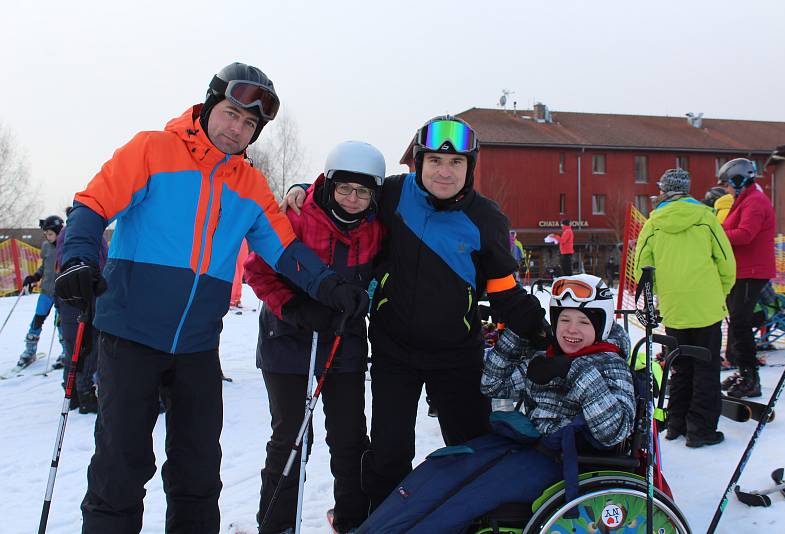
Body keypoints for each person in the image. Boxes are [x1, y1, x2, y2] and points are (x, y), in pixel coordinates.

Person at [55, 62, 369, 534]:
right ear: (208, 106)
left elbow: (286, 252)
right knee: (121, 469)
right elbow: (93, 204)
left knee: (198, 472)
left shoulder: (250, 186)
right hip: (129, 335)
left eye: (249, 123)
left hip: (198, 347)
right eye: (230, 113)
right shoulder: (152, 150)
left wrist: (331, 287)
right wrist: (78, 258)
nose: (236, 129)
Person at [282, 115, 549, 512]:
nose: (444, 172)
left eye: (456, 163)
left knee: (471, 451)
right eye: (435, 162)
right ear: (419, 163)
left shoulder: (486, 219)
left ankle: (473, 520)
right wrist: (301, 189)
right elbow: (344, 193)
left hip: (458, 357)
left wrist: (547, 335)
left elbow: (506, 291)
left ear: (469, 168)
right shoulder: (392, 195)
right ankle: (386, 521)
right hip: (394, 354)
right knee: (389, 457)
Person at [356, 274, 634, 533]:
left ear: (602, 324)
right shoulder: (550, 357)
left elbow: (613, 432)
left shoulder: (611, 365)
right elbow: (492, 384)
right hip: (523, 448)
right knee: (442, 471)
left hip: (562, 462)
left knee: (461, 497)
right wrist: (516, 336)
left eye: (584, 322)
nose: (572, 330)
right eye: (564, 320)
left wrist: (576, 372)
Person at [244, 140, 385, 534]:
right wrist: (296, 308)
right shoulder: (297, 217)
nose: (353, 199)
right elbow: (258, 272)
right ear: (329, 185)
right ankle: (276, 525)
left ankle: (353, 519)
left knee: (350, 439)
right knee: (290, 439)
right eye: (344, 189)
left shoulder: (376, 228)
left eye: (362, 192)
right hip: (288, 341)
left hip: (344, 342)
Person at [634, 169, 735, 447]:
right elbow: (726, 262)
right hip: (706, 306)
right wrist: (719, 292)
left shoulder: (653, 223)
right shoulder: (706, 218)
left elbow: (640, 270)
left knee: (679, 366)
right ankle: (700, 430)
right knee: (706, 368)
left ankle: (675, 423)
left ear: (664, 190)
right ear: (688, 189)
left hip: (675, 306)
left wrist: (661, 294)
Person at [718, 158, 776, 398]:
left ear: (739, 181)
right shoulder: (743, 200)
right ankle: (745, 371)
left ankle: (750, 377)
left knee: (741, 324)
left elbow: (745, 234)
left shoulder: (754, 202)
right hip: (742, 271)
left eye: (729, 185)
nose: (727, 190)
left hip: (751, 271)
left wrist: (715, 232)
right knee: (739, 323)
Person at [55, 206, 109, 413]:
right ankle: (82, 393)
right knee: (80, 345)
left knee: (87, 344)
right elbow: (67, 261)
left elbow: (103, 261)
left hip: (93, 291)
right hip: (77, 294)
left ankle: (79, 392)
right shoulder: (71, 235)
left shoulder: (95, 235)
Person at [16, 215, 67, 369]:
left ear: (59, 233)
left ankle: (66, 352)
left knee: (61, 323)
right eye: (46, 233)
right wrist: (34, 277)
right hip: (46, 291)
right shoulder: (45, 246)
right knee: (37, 319)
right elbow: (44, 267)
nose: (47, 236)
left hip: (61, 293)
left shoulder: (66, 247)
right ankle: (30, 351)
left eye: (50, 233)